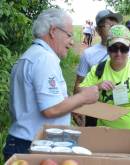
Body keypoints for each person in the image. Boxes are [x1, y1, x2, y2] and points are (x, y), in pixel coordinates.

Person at [2, 8, 99, 161]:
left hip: (25, 143)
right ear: (53, 31)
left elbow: (40, 104)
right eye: (69, 35)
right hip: (33, 146)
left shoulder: (31, 55)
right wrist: (84, 97)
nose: (72, 42)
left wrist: (70, 108)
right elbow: (51, 109)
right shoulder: (44, 59)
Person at [79, 25, 130, 136]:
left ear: (129, 48)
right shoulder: (98, 70)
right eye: (114, 48)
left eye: (124, 48)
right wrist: (97, 86)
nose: (119, 53)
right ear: (107, 48)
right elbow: (80, 94)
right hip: (109, 136)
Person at [73, 10, 130, 126]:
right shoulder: (88, 54)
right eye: (109, 25)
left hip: (125, 109)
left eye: (116, 24)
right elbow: (79, 83)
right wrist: (76, 107)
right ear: (98, 30)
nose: (114, 28)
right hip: (96, 109)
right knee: (95, 141)